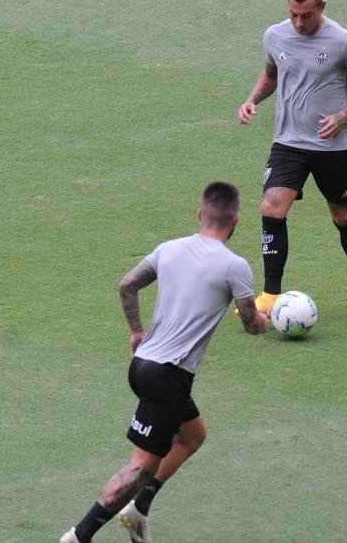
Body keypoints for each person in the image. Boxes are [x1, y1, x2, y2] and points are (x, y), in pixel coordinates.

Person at [60, 181, 268, 543]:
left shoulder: (169, 249)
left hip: (142, 367)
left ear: (200, 214)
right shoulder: (234, 266)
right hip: (170, 377)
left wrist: (137, 331)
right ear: (236, 220)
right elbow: (251, 326)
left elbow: (127, 285)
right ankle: (79, 536)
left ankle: (138, 509)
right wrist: (268, 319)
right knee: (139, 468)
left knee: (192, 435)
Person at [237, 0, 347, 316]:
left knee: (343, 216)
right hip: (288, 141)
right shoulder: (275, 35)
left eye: (307, 15)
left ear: (322, 7)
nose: (299, 23)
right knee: (271, 207)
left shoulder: (343, 41)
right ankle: (271, 295)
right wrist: (252, 99)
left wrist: (343, 115)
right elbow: (272, 74)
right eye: (293, 15)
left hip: (333, 147)